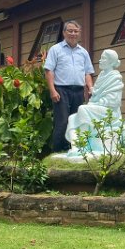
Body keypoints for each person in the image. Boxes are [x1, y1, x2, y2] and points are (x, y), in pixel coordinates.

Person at [44, 20, 95, 152]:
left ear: (79, 33)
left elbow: (88, 73)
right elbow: (49, 71)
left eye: (76, 31)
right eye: (70, 31)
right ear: (64, 33)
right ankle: (57, 153)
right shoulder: (56, 49)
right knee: (62, 122)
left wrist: (90, 88)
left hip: (78, 92)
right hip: (61, 91)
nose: (73, 33)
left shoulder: (83, 52)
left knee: (76, 121)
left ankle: (73, 150)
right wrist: (52, 90)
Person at [65, 49, 124, 151]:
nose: (100, 60)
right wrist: (94, 101)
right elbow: (95, 96)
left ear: (111, 62)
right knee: (72, 118)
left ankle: (83, 145)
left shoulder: (115, 78)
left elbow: (114, 101)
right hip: (99, 108)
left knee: (82, 109)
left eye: (103, 58)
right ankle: (78, 147)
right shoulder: (101, 76)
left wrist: (96, 103)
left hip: (110, 111)